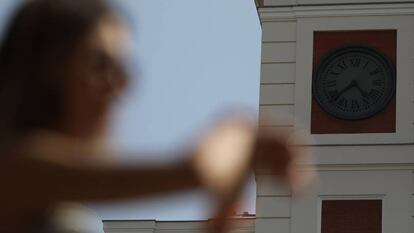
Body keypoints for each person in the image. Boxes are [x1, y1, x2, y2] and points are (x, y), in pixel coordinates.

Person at [0, 0, 311, 232]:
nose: (121, 85)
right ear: (47, 68)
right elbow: (195, 171)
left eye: (123, 69)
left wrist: (224, 204)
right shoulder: (14, 166)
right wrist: (238, 131)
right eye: (100, 64)